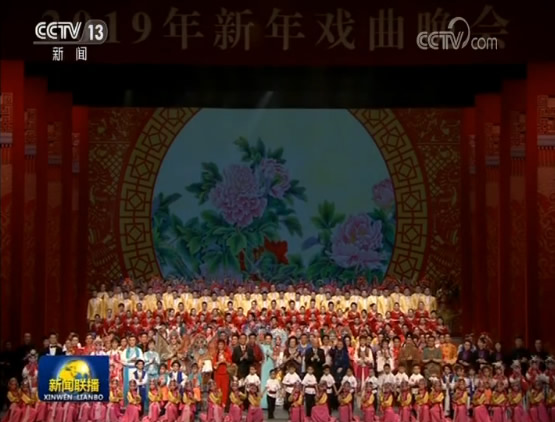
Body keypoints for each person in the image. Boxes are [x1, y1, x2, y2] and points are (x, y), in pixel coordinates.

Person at [122, 335, 143, 406]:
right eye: (130, 340)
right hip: (128, 369)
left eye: (133, 340)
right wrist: (130, 360)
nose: (132, 342)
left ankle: (137, 403)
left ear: (136, 341)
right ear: (129, 341)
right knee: (128, 386)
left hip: (136, 369)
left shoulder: (139, 350)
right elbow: (122, 360)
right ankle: (127, 404)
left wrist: (136, 361)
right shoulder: (125, 351)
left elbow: (141, 360)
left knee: (137, 385)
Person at [212, 339, 231, 407]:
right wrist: (219, 362)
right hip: (217, 374)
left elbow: (229, 364)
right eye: (219, 344)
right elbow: (214, 366)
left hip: (225, 374)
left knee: (224, 390)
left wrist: (225, 361)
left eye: (222, 344)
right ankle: (218, 404)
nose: (220, 346)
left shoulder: (227, 354)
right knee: (217, 389)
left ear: (224, 346)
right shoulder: (215, 355)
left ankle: (224, 404)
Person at [260, 333, 274, 408]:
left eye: (269, 339)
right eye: (267, 339)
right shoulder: (261, 347)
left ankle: (270, 403)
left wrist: (270, 355)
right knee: (263, 383)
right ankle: (262, 402)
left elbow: (275, 358)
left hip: (271, 366)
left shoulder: (273, 348)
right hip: (264, 366)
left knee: (270, 383)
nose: (268, 340)